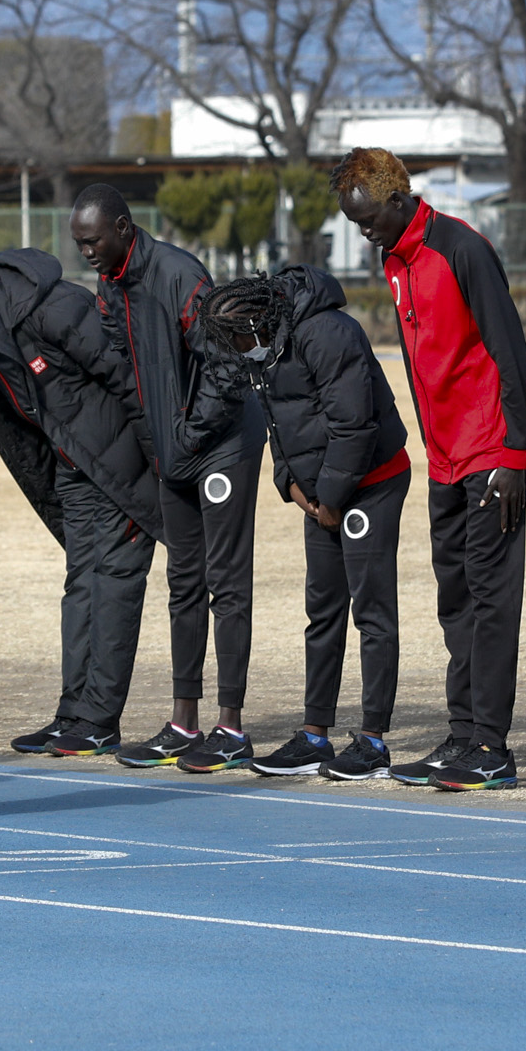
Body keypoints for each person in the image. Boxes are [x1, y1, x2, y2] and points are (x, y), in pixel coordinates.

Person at [333, 148, 526, 790]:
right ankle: (462, 736)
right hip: (446, 458)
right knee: (453, 597)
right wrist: (435, 451)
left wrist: (513, 456)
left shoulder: (462, 247)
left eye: (368, 217)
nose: (363, 230)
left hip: (492, 453)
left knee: (490, 597)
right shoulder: (393, 259)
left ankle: (492, 746)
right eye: (355, 221)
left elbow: (510, 352)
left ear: (397, 199)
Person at [0, 248, 161, 760]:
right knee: (81, 586)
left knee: (114, 585)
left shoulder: (54, 307)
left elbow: (129, 377)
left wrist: (157, 463)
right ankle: (73, 712)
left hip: (123, 466)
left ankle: (99, 720)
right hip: (73, 467)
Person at [69, 184, 265, 774]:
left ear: (125, 229)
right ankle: (184, 721)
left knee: (225, 584)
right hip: (176, 454)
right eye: (79, 244)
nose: (86, 254)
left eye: (94, 241)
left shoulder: (180, 273)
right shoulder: (110, 286)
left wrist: (188, 436)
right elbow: (128, 373)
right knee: (183, 581)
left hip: (222, 445)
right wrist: (160, 446)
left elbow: (227, 364)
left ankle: (230, 727)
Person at [198, 271, 412, 782]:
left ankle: (374, 742)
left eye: (237, 335)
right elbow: (277, 424)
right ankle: (316, 736)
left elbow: (354, 424)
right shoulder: (267, 349)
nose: (235, 347)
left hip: (372, 483)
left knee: (372, 611)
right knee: (323, 610)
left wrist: (332, 499)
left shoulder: (328, 333)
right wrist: (290, 485)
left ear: (261, 317)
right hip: (321, 497)